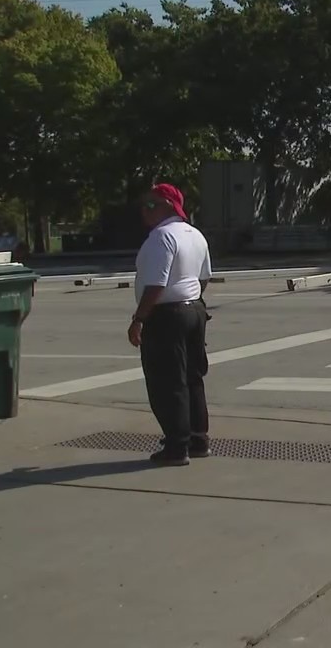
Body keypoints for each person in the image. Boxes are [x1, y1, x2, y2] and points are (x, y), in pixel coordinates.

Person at [128, 183, 212, 466]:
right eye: (143, 205)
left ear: (167, 206)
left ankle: (177, 446)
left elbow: (155, 285)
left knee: (167, 382)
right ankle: (198, 439)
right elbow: (204, 278)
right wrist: (190, 299)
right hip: (194, 310)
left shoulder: (161, 237)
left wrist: (139, 319)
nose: (144, 211)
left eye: (151, 205)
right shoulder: (195, 235)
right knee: (192, 378)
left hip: (166, 315)